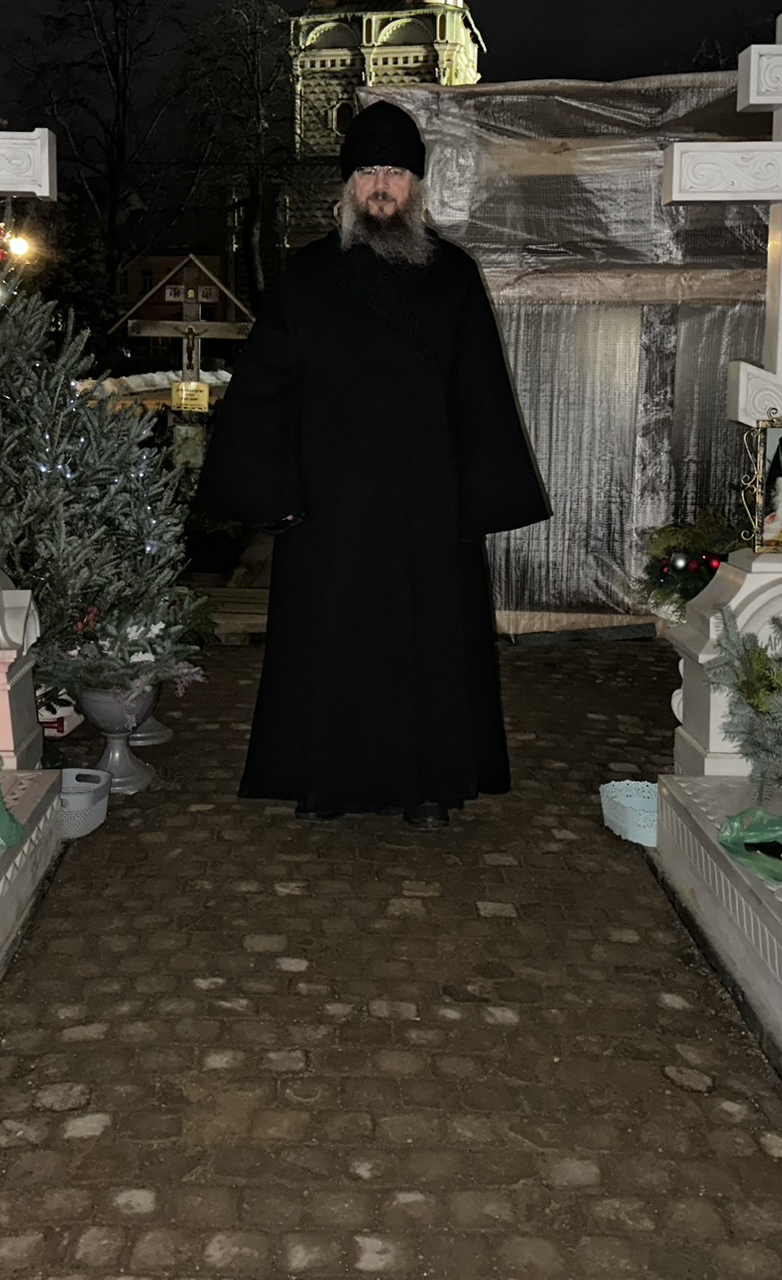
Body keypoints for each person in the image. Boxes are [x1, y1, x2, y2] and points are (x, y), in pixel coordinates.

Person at [196, 101, 549, 829]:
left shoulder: (453, 277)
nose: (381, 185)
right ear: (348, 185)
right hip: (332, 511)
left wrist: (475, 502)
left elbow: (482, 395)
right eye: (368, 172)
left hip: (427, 512)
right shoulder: (308, 277)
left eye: (395, 171)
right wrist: (275, 494)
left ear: (416, 185)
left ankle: (429, 789)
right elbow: (262, 389)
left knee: (427, 651)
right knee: (333, 649)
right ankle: (327, 783)